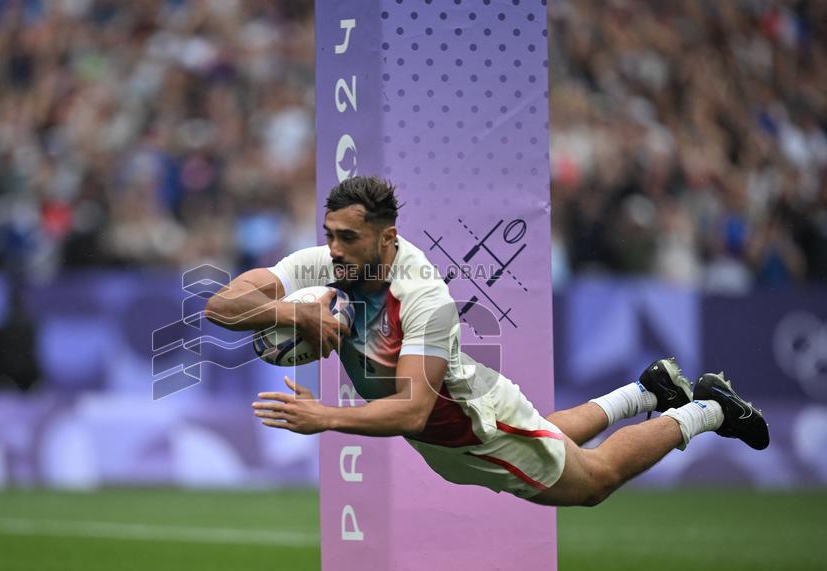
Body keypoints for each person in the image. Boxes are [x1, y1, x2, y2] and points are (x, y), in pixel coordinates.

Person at [204, 176, 769, 506]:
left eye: (348, 237)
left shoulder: (424, 298)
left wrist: (325, 417)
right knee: (550, 435)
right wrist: (295, 315)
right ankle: (647, 391)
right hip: (451, 425)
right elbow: (220, 306)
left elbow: (410, 409)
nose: (335, 249)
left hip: (473, 425)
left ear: (387, 238)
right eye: (329, 235)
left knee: (591, 481)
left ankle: (708, 409)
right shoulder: (325, 263)